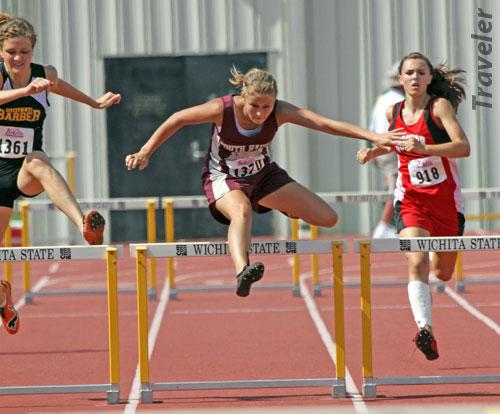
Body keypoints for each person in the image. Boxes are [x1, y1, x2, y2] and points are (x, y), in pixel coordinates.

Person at [126, 65, 402, 297]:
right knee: (242, 211)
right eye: (254, 106)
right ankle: (242, 271)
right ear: (243, 97)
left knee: (327, 218)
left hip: (263, 175)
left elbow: (323, 123)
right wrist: (145, 151)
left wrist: (373, 137)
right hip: (224, 176)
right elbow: (177, 119)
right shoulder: (221, 109)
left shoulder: (280, 111)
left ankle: (280, 204)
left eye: (266, 107)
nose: (260, 113)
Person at [0, 16, 121, 333]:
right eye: (12, 52)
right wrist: (26, 90)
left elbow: (61, 86)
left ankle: (84, 224)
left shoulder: (44, 74)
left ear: (32, 51)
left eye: (24, 52)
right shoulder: (3, 78)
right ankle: (4, 299)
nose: (18, 58)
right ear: (1, 52)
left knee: (39, 160)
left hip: (23, 169)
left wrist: (94, 102)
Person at [356, 52, 469, 360]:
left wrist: (426, 148)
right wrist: (372, 152)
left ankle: (434, 270)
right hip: (411, 201)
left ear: (430, 78)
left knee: (442, 273)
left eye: (421, 72)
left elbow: (463, 147)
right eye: (410, 72)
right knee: (415, 262)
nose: (415, 77)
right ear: (401, 79)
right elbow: (393, 142)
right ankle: (425, 329)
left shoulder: (439, 107)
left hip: (446, 202)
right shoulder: (394, 112)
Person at [368, 63, 405, 238]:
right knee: (398, 188)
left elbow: (372, 125)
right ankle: (383, 228)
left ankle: (391, 225)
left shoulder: (383, 97)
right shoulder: (398, 100)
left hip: (380, 146)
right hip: (391, 148)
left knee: (395, 186)